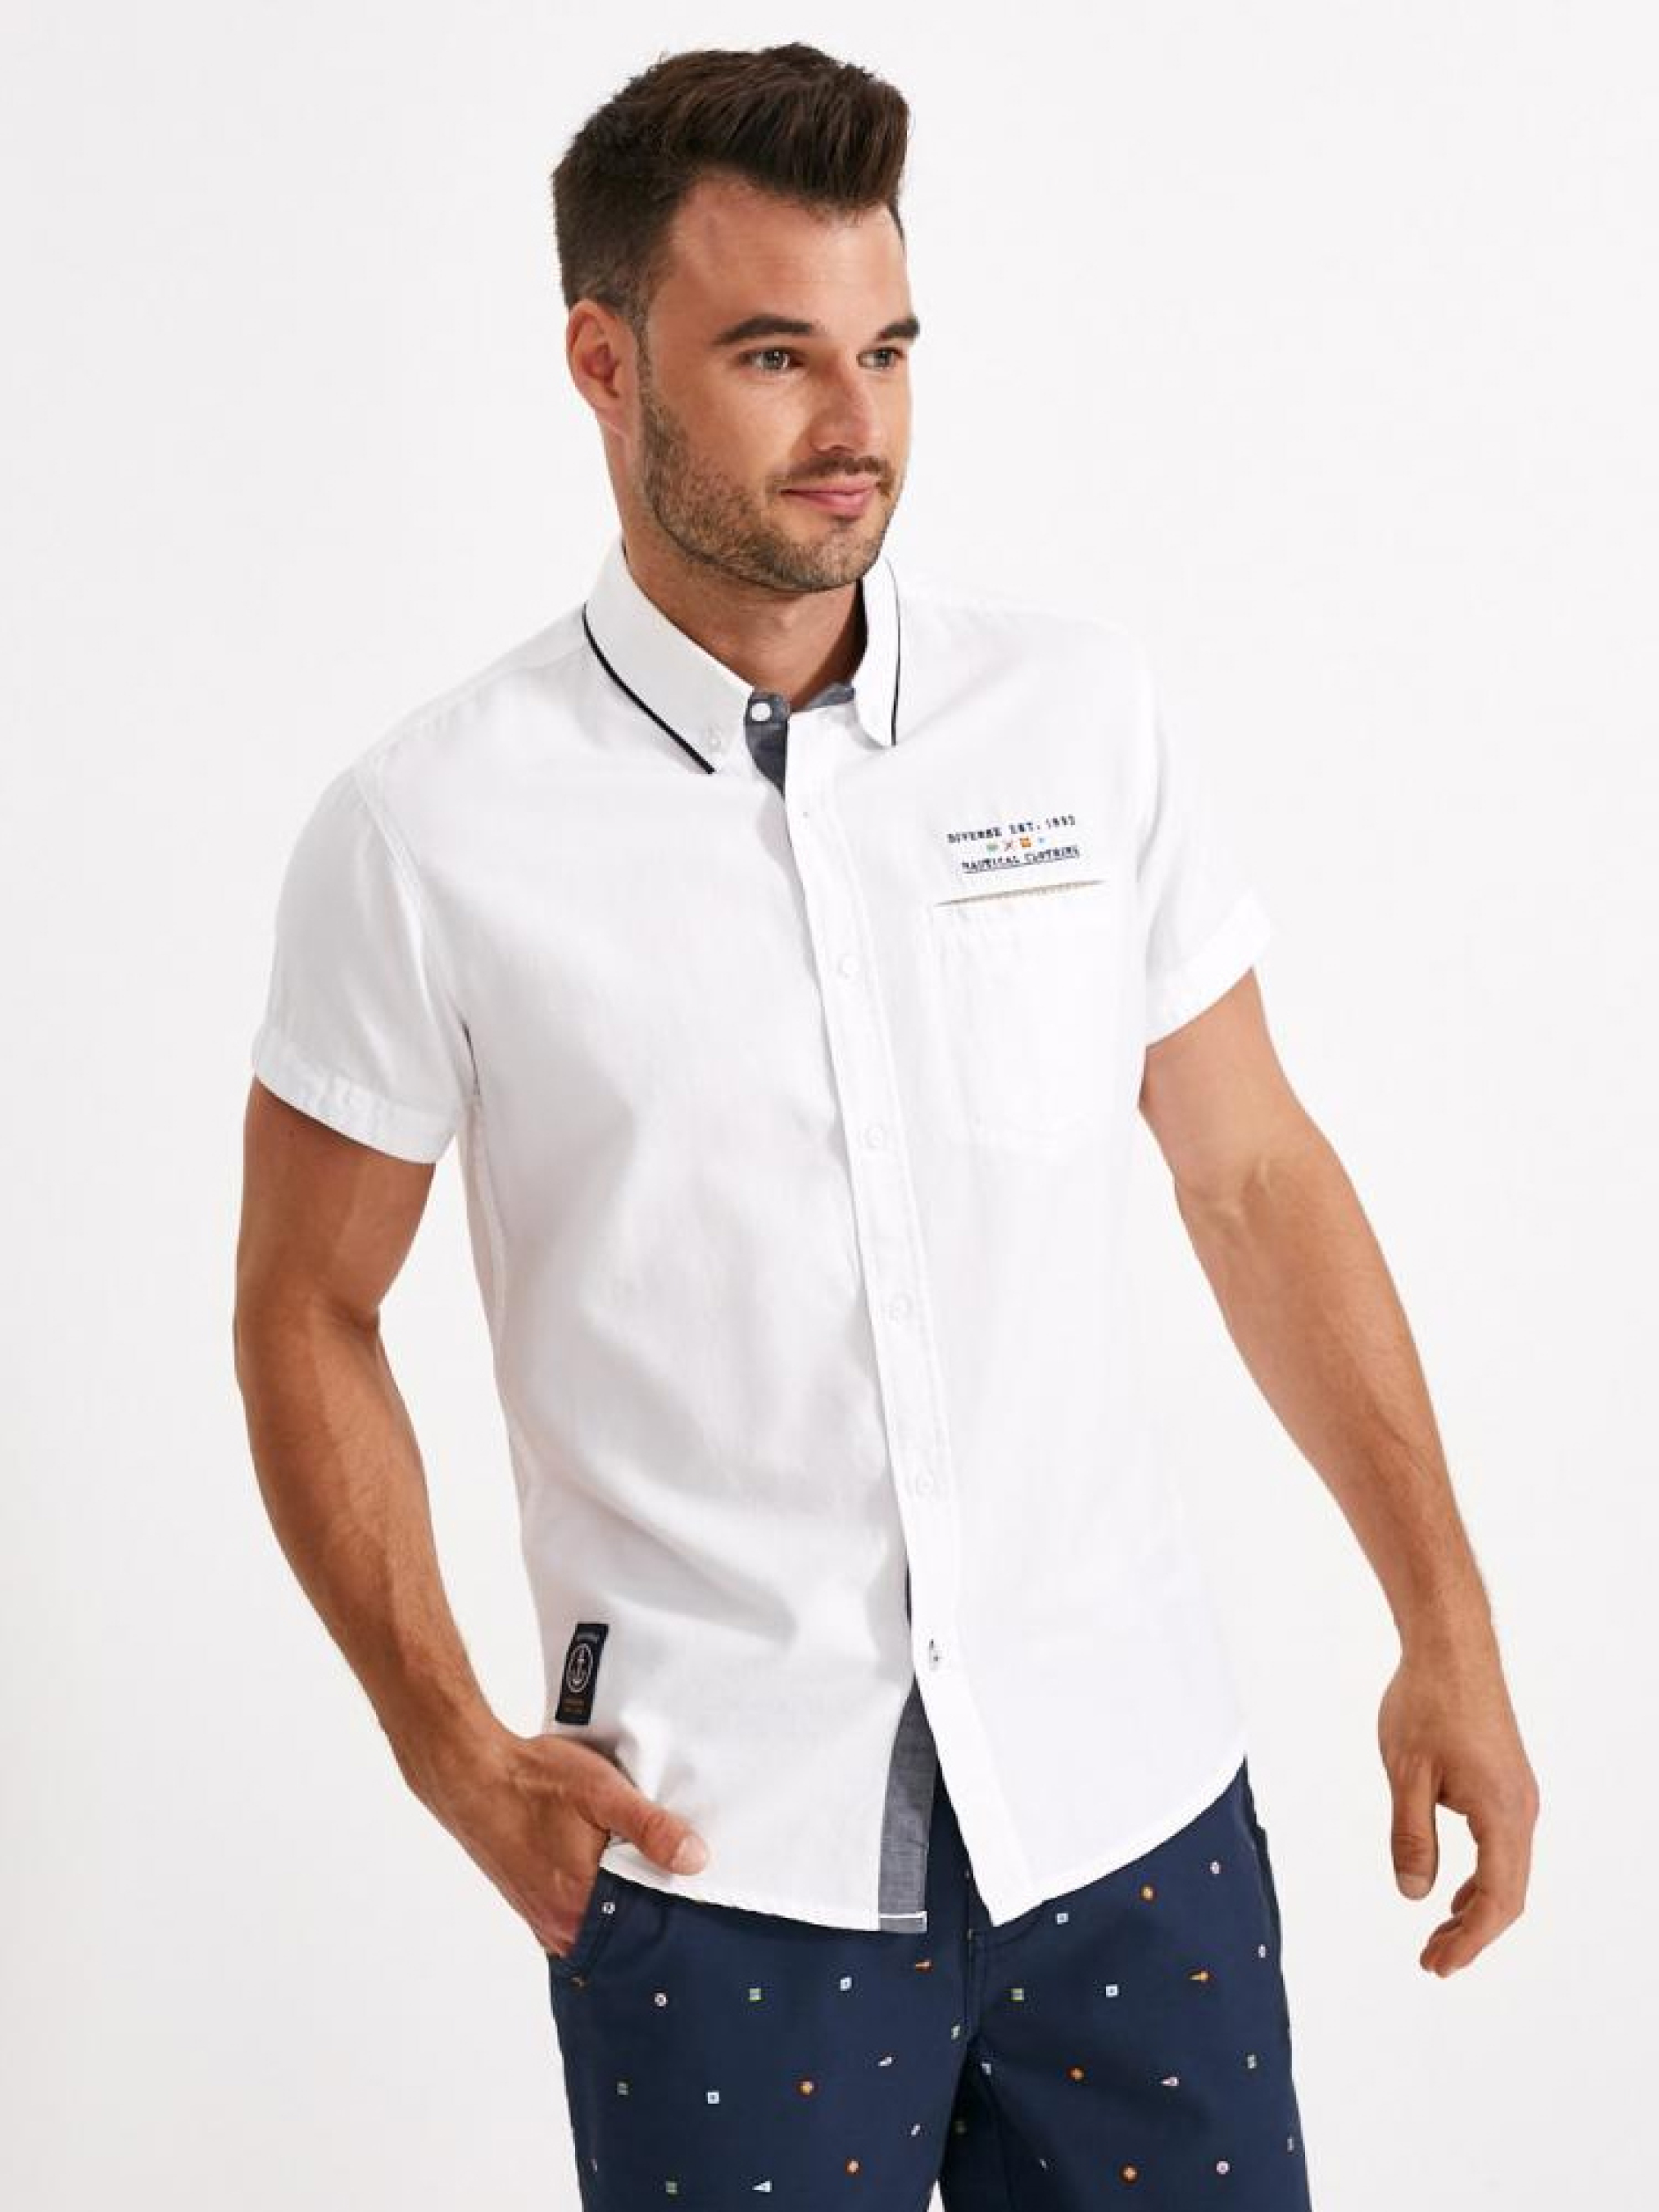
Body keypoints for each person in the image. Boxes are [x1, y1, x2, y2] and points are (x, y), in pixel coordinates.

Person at [233, 40, 1539, 2211]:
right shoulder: (426, 829)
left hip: (1130, 1823)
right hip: (721, 1872)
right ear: (602, 363)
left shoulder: (1080, 720)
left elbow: (1249, 1171)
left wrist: (1447, 1619)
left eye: (889, 350)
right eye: (774, 356)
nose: (856, 422)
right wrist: (449, 1744)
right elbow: (304, 1303)